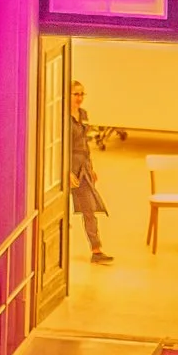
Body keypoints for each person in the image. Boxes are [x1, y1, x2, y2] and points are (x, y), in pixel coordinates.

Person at [68, 79, 111, 262]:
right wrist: (66, 172)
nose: (79, 98)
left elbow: (85, 143)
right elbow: (61, 145)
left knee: (89, 208)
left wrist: (90, 167)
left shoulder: (83, 114)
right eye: (76, 94)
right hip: (67, 168)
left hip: (82, 167)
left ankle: (96, 249)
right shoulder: (61, 116)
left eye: (82, 94)